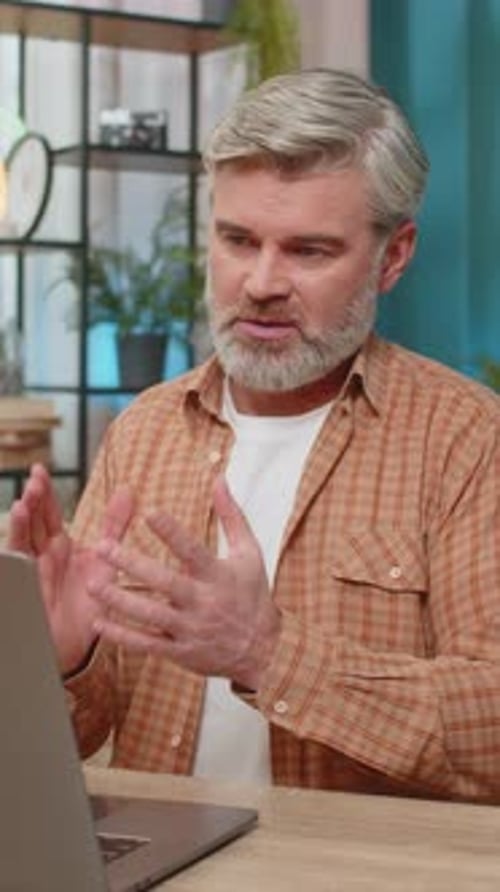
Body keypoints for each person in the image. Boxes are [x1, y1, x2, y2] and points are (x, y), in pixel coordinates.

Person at [9, 68, 500, 802]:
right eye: (238, 239)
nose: (261, 282)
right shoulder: (144, 431)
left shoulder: (468, 440)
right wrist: (61, 659)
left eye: (309, 251)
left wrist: (268, 653)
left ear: (393, 256)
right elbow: (83, 734)